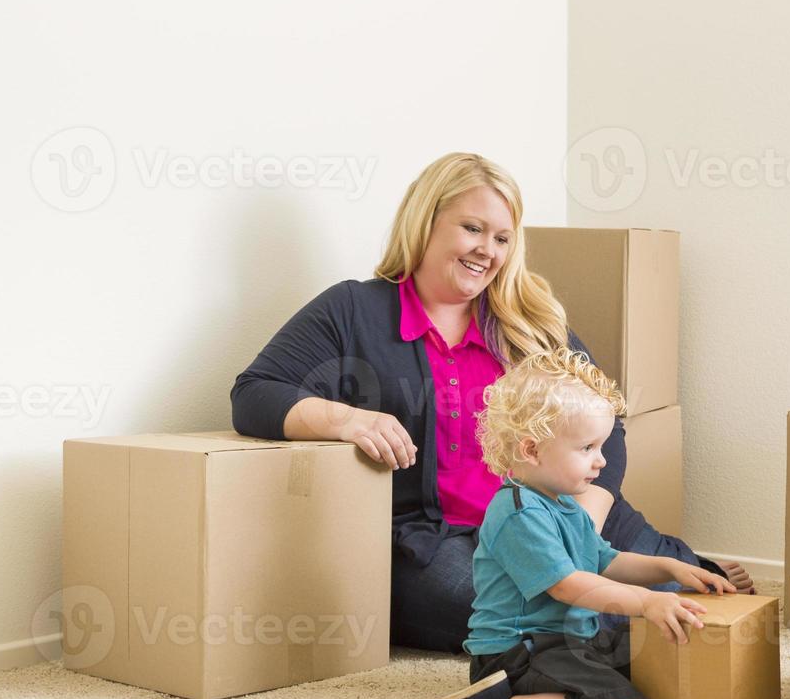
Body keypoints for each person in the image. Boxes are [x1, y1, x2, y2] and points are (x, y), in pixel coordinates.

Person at [231, 152, 750, 654]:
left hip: (563, 510)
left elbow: (605, 423)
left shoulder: (529, 320)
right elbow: (255, 393)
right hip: (442, 541)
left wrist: (584, 522)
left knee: (696, 587)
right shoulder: (353, 310)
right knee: (536, 612)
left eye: (502, 237)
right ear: (424, 222)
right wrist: (347, 418)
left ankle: (642, 591)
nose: (487, 250)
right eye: (472, 229)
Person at [425, 348, 735, 699]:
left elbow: (607, 561)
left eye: (601, 447)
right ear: (532, 449)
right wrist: (646, 601)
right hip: (519, 651)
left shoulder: (566, 505)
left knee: (653, 653)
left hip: (572, 638)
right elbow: (568, 586)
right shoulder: (519, 512)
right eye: (587, 448)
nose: (601, 461)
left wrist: (670, 569)